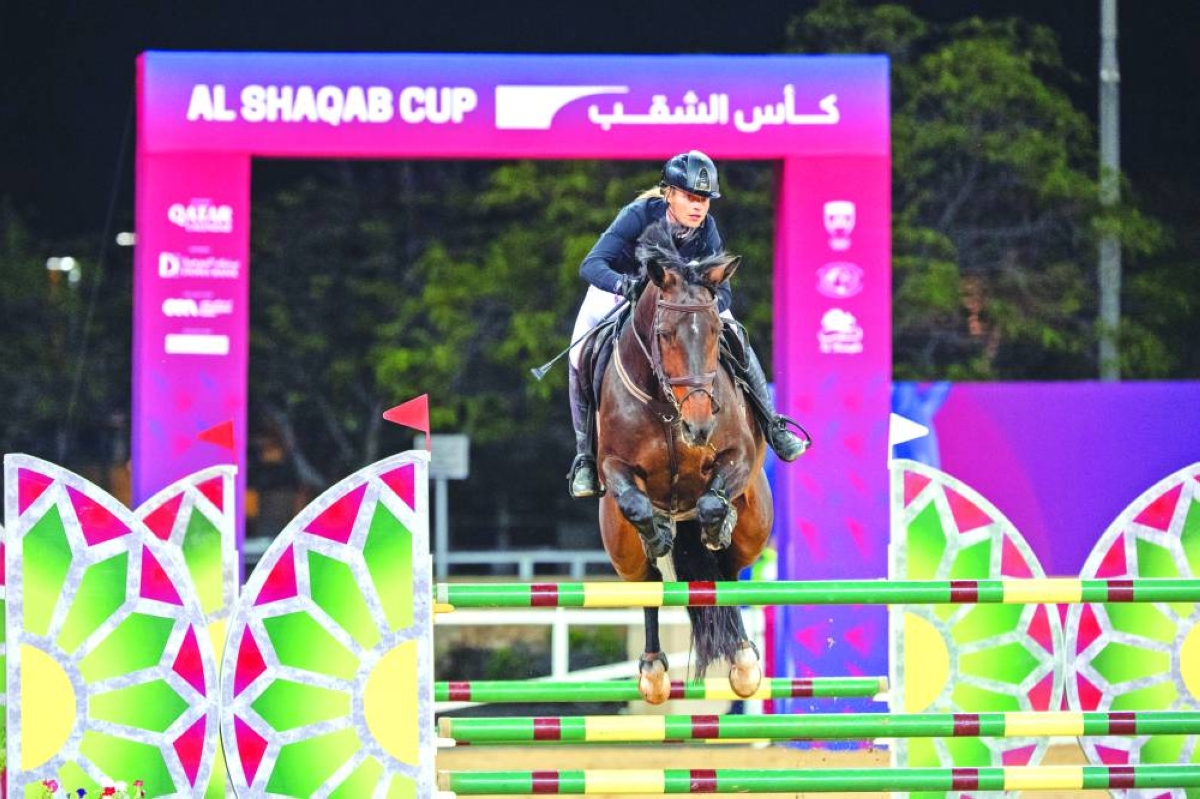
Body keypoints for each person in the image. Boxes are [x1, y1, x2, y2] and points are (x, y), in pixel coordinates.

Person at [566, 150, 808, 498]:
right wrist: (623, 285)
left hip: (682, 305)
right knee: (580, 352)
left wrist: (704, 305)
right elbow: (591, 264)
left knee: (735, 333)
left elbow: (723, 292)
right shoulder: (638, 216)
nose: (698, 207)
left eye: (704, 200)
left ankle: (772, 424)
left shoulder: (706, 229)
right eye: (690, 197)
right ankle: (585, 457)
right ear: (669, 194)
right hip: (618, 291)